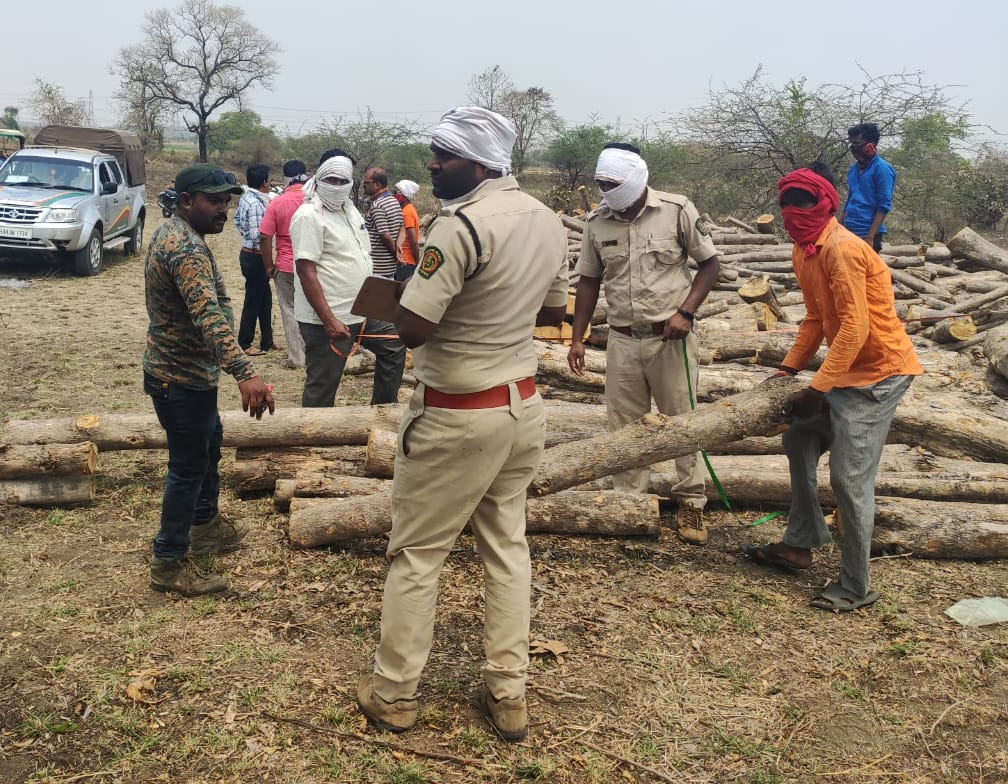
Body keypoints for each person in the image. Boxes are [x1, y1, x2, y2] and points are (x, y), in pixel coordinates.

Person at [356, 106, 568, 743]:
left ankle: (394, 694)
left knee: (418, 555)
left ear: (478, 163)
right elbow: (553, 308)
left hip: (457, 414)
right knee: (506, 549)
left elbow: (415, 327)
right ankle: (509, 694)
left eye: (442, 156)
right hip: (521, 407)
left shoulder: (460, 227)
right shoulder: (546, 220)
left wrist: (382, 299)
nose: (431, 165)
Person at [743, 163, 922, 613]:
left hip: (879, 375)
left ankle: (857, 586)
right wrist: (788, 369)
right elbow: (816, 320)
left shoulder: (841, 249)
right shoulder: (804, 251)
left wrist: (817, 387)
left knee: (849, 478)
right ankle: (799, 545)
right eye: (787, 203)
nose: (794, 211)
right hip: (845, 372)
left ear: (826, 204)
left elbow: (857, 328)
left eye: (804, 202)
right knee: (799, 438)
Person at [567, 145, 720, 544]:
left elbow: (710, 264)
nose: (606, 190)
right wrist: (577, 336)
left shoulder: (676, 209)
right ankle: (631, 502)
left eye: (614, 184)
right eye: (602, 184)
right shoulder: (597, 222)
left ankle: (691, 503)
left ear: (637, 179)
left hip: (671, 339)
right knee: (625, 426)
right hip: (622, 339)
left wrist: (685, 312)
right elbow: (588, 281)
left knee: (682, 421)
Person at [143, 162, 275, 596]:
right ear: (186, 201)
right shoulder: (184, 248)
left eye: (226, 200)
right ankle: (168, 563)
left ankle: (205, 533)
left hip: (188, 375)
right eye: (213, 201)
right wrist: (245, 372)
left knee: (207, 450)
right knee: (187, 468)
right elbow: (209, 317)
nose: (223, 209)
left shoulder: (181, 235)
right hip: (178, 379)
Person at [290, 153, 406, 407]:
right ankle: (313, 438)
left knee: (395, 343)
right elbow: (306, 270)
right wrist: (329, 319)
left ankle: (382, 411)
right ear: (319, 180)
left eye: (343, 180)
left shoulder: (350, 211)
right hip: (329, 317)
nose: (337, 185)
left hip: (361, 310)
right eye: (331, 179)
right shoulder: (308, 215)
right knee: (324, 382)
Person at [259, 159, 309, 369]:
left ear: (285, 178)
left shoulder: (277, 202)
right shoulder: (313, 199)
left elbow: (264, 236)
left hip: (286, 265)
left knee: (289, 310)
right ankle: (314, 354)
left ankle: (297, 358)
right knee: (312, 308)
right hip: (312, 265)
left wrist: (269, 266)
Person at [233, 163, 274, 356]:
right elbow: (260, 235)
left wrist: (246, 235)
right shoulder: (257, 204)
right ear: (264, 182)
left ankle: (267, 340)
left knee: (264, 299)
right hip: (256, 256)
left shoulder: (246, 198)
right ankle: (245, 342)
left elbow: (237, 221)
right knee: (253, 300)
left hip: (248, 253)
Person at [842, 122, 896, 251]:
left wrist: (870, 237)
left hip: (867, 233)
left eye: (857, 143)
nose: (854, 148)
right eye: (852, 143)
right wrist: (839, 226)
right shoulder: (853, 170)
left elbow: (883, 205)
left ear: (870, 145)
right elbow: (850, 200)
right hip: (849, 231)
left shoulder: (882, 169)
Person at [362, 167, 403, 279]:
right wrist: (398, 247)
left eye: (366, 183)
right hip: (389, 267)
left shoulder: (378, 205)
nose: (363, 185)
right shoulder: (394, 201)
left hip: (377, 268)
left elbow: (385, 235)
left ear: (377, 184)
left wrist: (396, 254)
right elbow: (402, 228)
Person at [392, 179, 421, 281]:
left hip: (406, 262)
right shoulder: (408, 209)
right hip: (405, 261)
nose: (393, 195)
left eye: (395, 193)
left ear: (404, 195)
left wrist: (418, 261)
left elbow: (413, 240)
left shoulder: (406, 213)